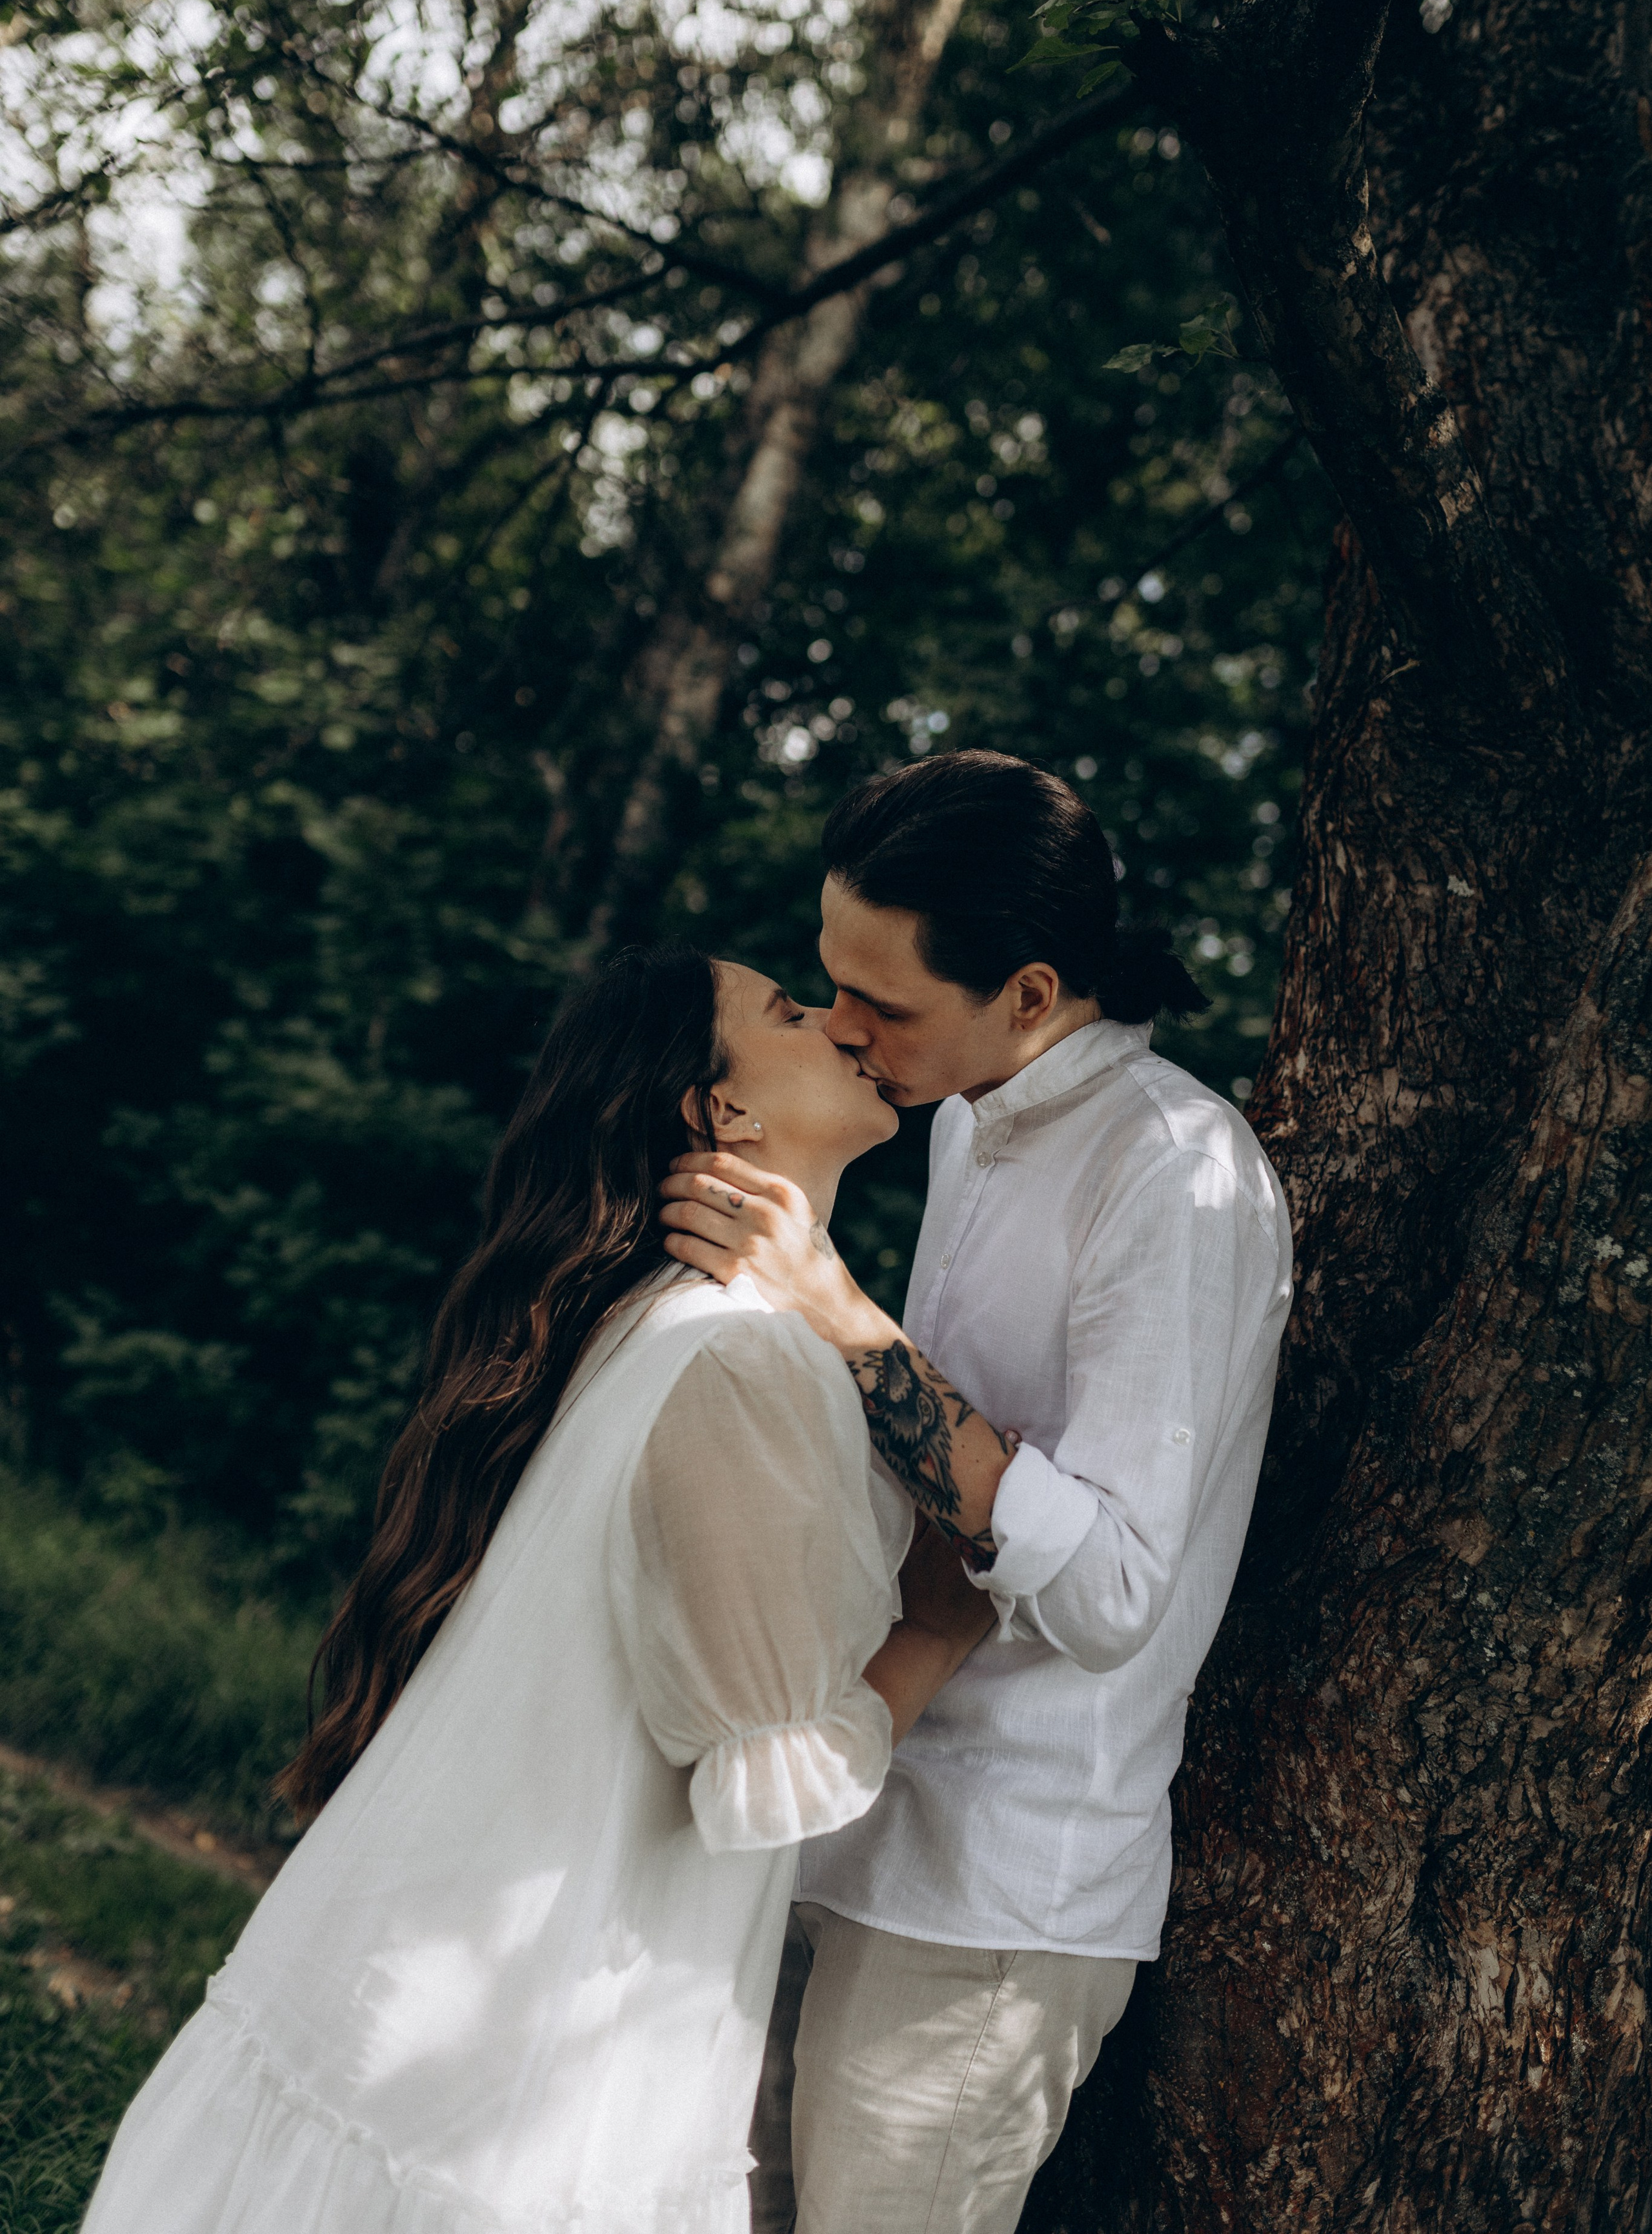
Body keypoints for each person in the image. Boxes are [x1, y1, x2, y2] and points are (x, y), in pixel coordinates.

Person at [82, 942, 995, 2234]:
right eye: (792, 1012)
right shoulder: (738, 1357)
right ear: (722, 1110)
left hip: (430, 1986)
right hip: (513, 2043)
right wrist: (937, 1630)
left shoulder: (651, 1319)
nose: (844, 1023)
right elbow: (768, 1772)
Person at [660, 750, 1295, 2234]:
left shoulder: (1171, 1171)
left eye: (882, 1003)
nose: (841, 1027)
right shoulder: (958, 1113)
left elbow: (1116, 1590)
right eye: (831, 984)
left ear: (1028, 991)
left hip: (999, 1887)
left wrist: (844, 1320)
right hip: (851, 1803)